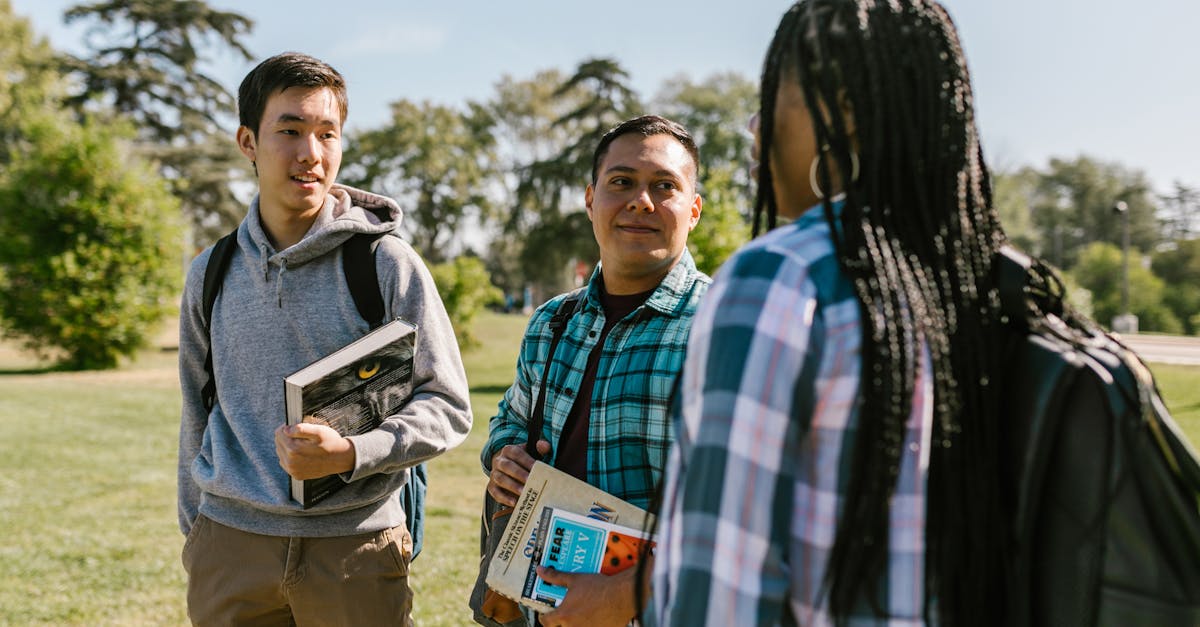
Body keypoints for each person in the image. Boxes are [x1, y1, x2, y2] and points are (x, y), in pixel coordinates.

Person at [654, 1, 1020, 625]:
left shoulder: (783, 277)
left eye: (772, 93)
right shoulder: (986, 284)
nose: (754, 123)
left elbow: (721, 597)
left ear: (844, 109)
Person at [176, 52, 472, 626]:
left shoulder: (386, 263)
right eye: (289, 130)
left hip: (355, 551)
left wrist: (354, 453)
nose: (311, 153)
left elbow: (448, 404)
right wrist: (198, 532)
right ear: (248, 141)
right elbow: (197, 407)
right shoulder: (210, 272)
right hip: (229, 547)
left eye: (326, 133)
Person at [483, 115, 711, 627]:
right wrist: (504, 455)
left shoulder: (723, 327)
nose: (641, 201)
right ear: (591, 200)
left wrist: (634, 593)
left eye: (664, 186)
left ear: (693, 210)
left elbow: (747, 507)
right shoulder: (552, 320)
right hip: (546, 607)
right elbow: (509, 420)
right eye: (622, 182)